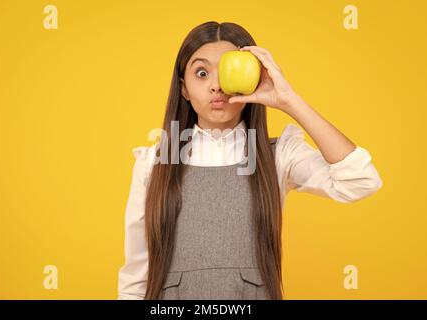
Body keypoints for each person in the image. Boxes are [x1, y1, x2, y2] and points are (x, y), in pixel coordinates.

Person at [117, 21, 383, 300]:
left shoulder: (278, 156)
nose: (216, 86)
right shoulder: (154, 163)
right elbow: (135, 281)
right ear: (184, 89)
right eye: (202, 73)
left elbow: (361, 181)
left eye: (227, 72)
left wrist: (289, 100)